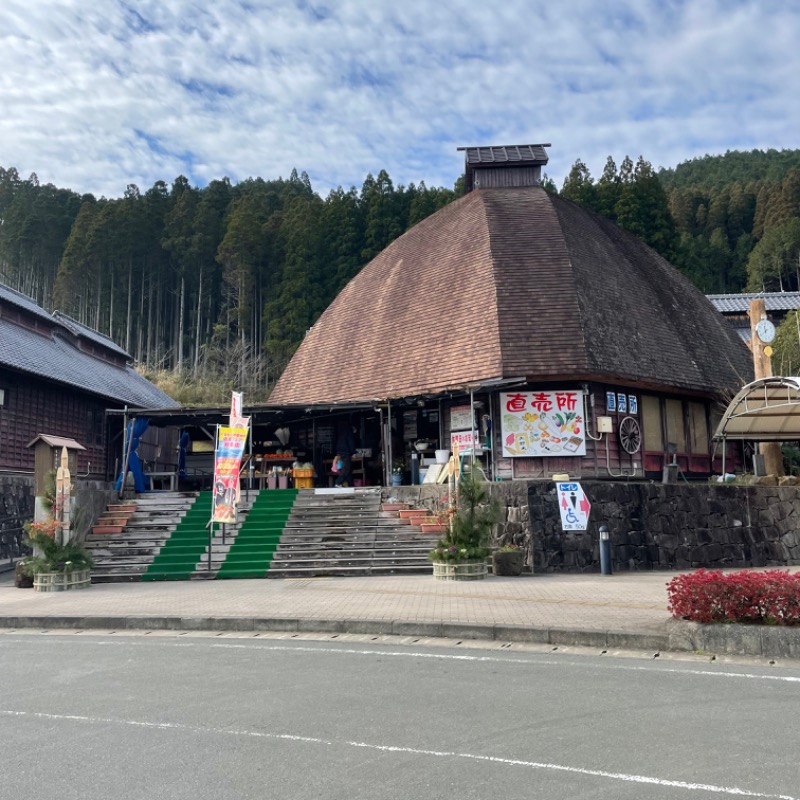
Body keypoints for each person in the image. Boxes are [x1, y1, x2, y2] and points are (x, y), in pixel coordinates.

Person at [334, 421, 356, 487]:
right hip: (345, 452)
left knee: (345, 469)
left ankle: (350, 484)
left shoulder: (340, 431)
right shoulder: (349, 431)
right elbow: (351, 442)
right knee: (346, 469)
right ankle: (338, 482)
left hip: (339, 452)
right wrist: (353, 452)